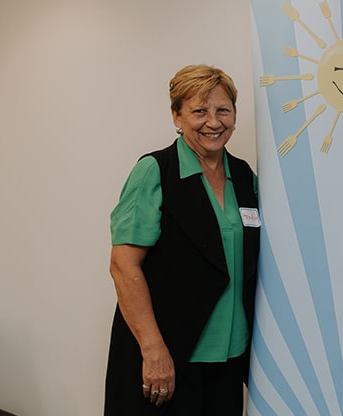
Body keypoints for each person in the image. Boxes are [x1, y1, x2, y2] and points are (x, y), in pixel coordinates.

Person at [104, 65, 260, 416]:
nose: (213, 122)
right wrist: (153, 350)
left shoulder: (243, 175)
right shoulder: (155, 171)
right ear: (176, 115)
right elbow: (123, 267)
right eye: (199, 111)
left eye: (223, 110)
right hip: (171, 356)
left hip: (230, 359)